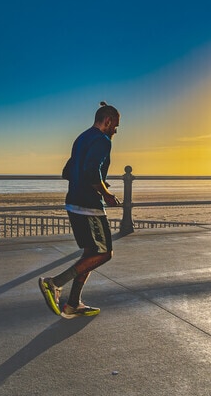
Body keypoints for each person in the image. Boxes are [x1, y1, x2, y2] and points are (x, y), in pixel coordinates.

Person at [39, 101, 121, 319]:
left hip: (73, 202)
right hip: (89, 207)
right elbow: (92, 173)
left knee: (90, 254)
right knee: (104, 253)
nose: (116, 131)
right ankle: (54, 283)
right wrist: (106, 194)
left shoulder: (81, 138)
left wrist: (92, 182)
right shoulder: (103, 140)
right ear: (108, 121)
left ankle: (73, 304)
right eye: (116, 126)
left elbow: (68, 171)